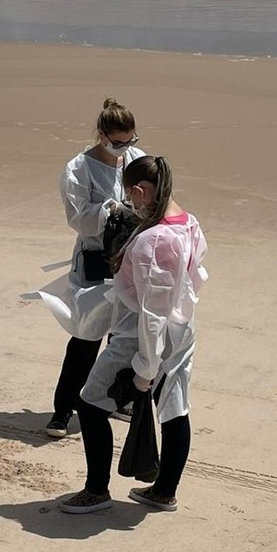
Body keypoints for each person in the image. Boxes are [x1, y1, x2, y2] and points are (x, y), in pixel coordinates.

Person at [60, 155, 208, 513]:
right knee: (174, 408)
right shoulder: (189, 222)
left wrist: (145, 367)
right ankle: (164, 491)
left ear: (140, 192)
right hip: (182, 329)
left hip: (139, 337)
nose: (130, 205)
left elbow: (151, 313)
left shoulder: (153, 241)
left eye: (131, 197)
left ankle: (96, 491)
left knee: (91, 403)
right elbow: (194, 277)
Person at [46, 98, 145, 439]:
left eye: (130, 141)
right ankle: (63, 408)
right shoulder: (78, 168)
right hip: (95, 258)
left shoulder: (135, 159)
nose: (124, 148)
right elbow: (77, 216)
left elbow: (152, 195)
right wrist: (110, 210)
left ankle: (117, 398)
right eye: (118, 142)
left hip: (130, 258)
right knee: (86, 335)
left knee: (124, 336)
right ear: (102, 135)